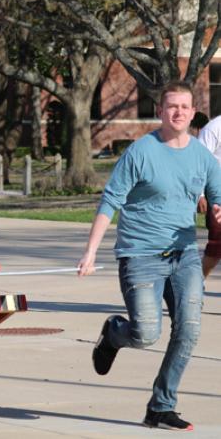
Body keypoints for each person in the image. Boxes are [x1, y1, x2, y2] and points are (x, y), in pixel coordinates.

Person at [78, 81, 221, 431]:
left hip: (184, 254)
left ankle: (161, 406)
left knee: (188, 330)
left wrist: (218, 211)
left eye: (185, 107)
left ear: (192, 112)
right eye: (172, 106)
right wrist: (91, 251)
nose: (178, 112)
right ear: (159, 111)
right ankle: (113, 334)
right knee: (145, 334)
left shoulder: (203, 156)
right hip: (140, 255)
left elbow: (216, 196)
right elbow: (110, 200)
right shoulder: (141, 152)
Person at [197, 114, 221, 277]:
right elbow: (198, 161)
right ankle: (195, 287)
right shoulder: (215, 127)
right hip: (218, 193)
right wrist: (199, 194)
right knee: (216, 247)